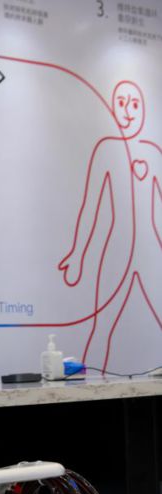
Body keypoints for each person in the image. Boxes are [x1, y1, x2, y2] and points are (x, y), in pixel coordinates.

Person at [58, 81, 161, 371]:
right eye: (122, 103)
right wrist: (78, 253)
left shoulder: (153, 153)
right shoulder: (107, 148)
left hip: (151, 251)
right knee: (102, 325)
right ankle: (88, 385)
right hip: (117, 252)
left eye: (135, 104)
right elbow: (91, 206)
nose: (128, 111)